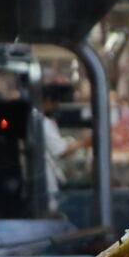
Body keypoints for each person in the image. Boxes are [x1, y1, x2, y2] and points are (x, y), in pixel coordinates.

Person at [40, 83, 90, 212]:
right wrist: (84, 142)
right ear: (48, 101)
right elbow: (61, 150)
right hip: (46, 182)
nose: (56, 107)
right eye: (55, 103)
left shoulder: (42, 120)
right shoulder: (42, 122)